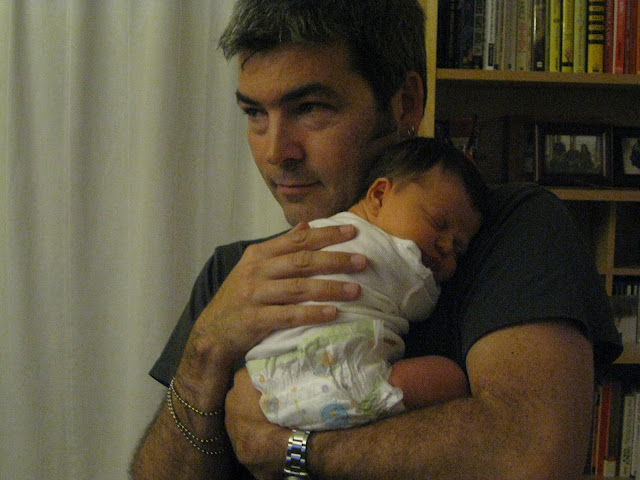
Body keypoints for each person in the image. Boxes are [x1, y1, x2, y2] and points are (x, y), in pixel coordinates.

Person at [130, 1, 622, 479]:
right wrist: (205, 351)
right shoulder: (238, 272)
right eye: (255, 114)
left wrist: (294, 449)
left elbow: (530, 455)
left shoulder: (506, 229)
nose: (277, 151)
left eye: (310, 108)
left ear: (404, 103)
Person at [246, 137, 486, 431]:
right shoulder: (404, 257)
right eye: (437, 223)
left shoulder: (317, 232)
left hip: (265, 380)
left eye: (459, 248)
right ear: (379, 195)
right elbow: (419, 307)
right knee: (450, 378)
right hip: (340, 379)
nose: (446, 246)